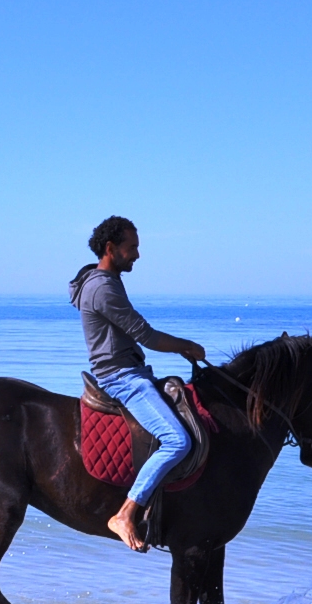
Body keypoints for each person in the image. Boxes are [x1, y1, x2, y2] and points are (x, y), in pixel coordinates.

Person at [68, 215, 209, 551]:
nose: (137, 255)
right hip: (122, 378)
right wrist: (185, 346)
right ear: (110, 248)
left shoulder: (106, 279)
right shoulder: (102, 287)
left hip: (133, 371)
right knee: (177, 441)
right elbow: (144, 334)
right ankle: (126, 513)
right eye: (132, 248)